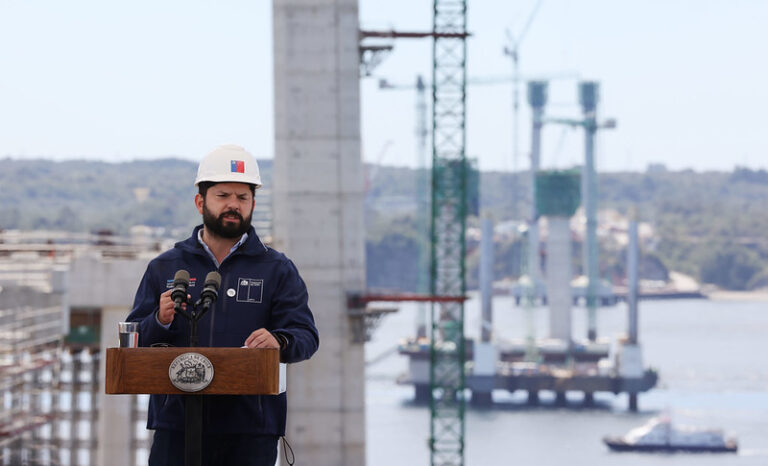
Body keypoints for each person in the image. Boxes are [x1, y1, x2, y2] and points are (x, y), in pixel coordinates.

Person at [126, 144, 319, 466]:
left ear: (253, 204)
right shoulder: (165, 266)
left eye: (242, 197)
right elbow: (134, 341)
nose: (233, 205)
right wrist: (159, 319)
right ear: (200, 202)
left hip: (251, 430)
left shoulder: (277, 269)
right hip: (177, 426)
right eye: (223, 196)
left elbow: (306, 337)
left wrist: (279, 341)